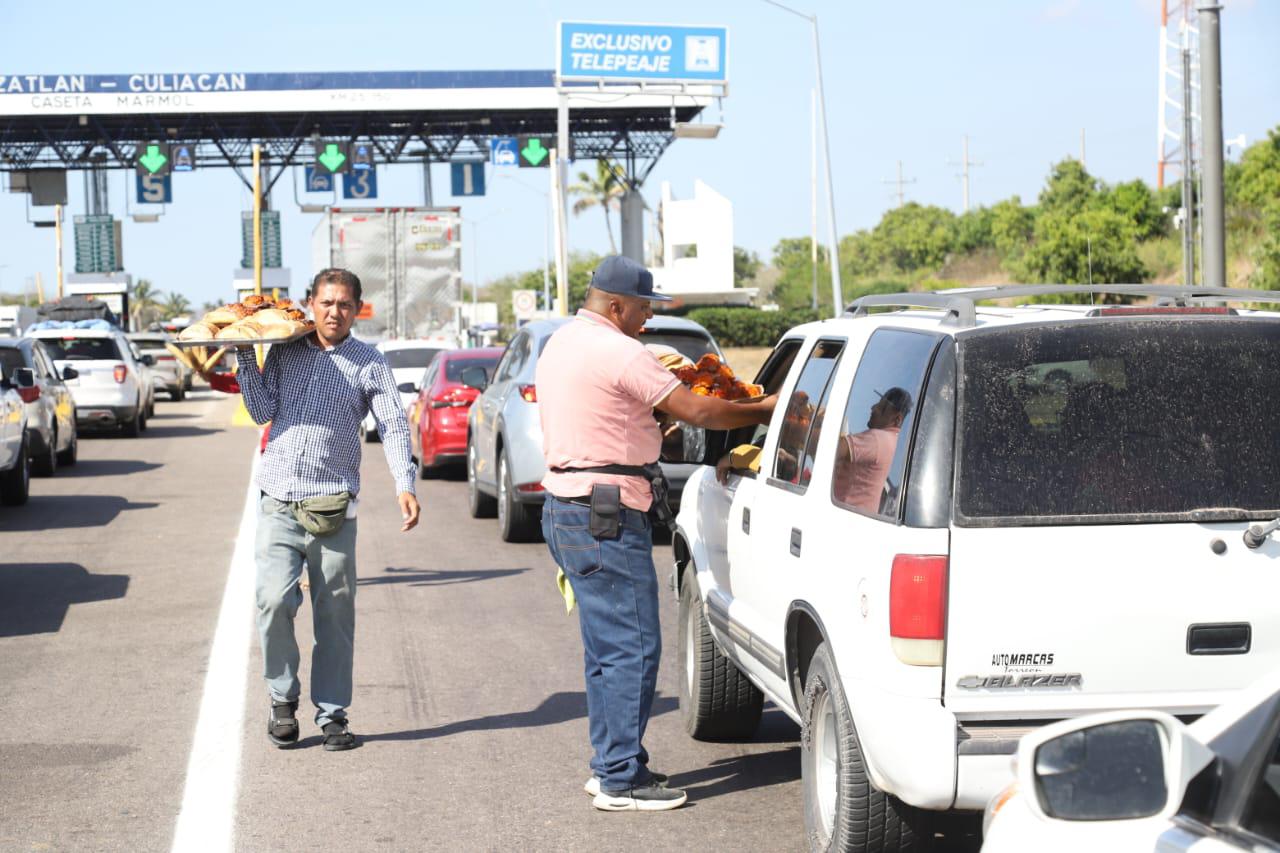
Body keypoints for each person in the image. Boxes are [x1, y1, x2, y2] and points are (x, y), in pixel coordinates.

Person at [536, 255, 776, 812]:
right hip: (606, 511)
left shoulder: (563, 342)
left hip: (567, 506)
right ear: (615, 305)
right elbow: (696, 409)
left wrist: (649, 426)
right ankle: (622, 779)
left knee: (605, 649)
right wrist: (768, 407)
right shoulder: (621, 350)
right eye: (643, 307)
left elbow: (609, 412)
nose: (647, 318)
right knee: (635, 647)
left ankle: (611, 766)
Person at [232, 268, 420, 751]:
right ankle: (281, 699)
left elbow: (394, 425)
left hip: (334, 506)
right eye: (326, 302)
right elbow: (260, 411)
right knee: (273, 602)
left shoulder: (368, 362)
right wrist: (242, 357)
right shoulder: (285, 350)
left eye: (344, 305)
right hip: (278, 500)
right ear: (310, 303)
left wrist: (405, 482)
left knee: (335, 613)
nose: (334, 312)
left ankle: (333, 713)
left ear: (357, 310)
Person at [832, 387, 912, 514]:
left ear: (897, 419)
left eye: (882, 407)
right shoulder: (891, 442)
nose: (873, 408)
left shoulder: (877, 439)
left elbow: (829, 450)